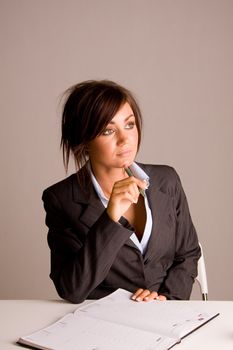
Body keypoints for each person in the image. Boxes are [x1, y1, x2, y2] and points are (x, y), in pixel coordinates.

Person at [42, 80, 201, 304]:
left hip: (166, 317)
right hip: (104, 324)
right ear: (84, 140)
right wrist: (110, 218)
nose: (125, 139)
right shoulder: (61, 199)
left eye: (129, 125)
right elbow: (72, 289)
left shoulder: (167, 180)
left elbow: (188, 254)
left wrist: (168, 302)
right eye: (108, 130)